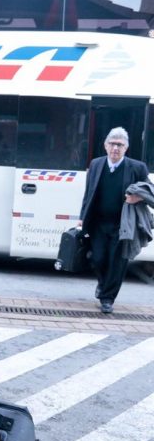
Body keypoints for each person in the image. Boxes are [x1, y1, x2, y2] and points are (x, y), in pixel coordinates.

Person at [79, 127, 149, 314]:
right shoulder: (96, 164)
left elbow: (150, 191)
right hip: (98, 223)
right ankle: (103, 285)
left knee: (117, 262)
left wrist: (138, 197)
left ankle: (107, 298)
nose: (115, 148)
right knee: (98, 258)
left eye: (120, 145)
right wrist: (82, 218)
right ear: (105, 145)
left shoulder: (137, 167)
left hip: (124, 224)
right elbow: (89, 193)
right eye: (112, 144)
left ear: (126, 148)